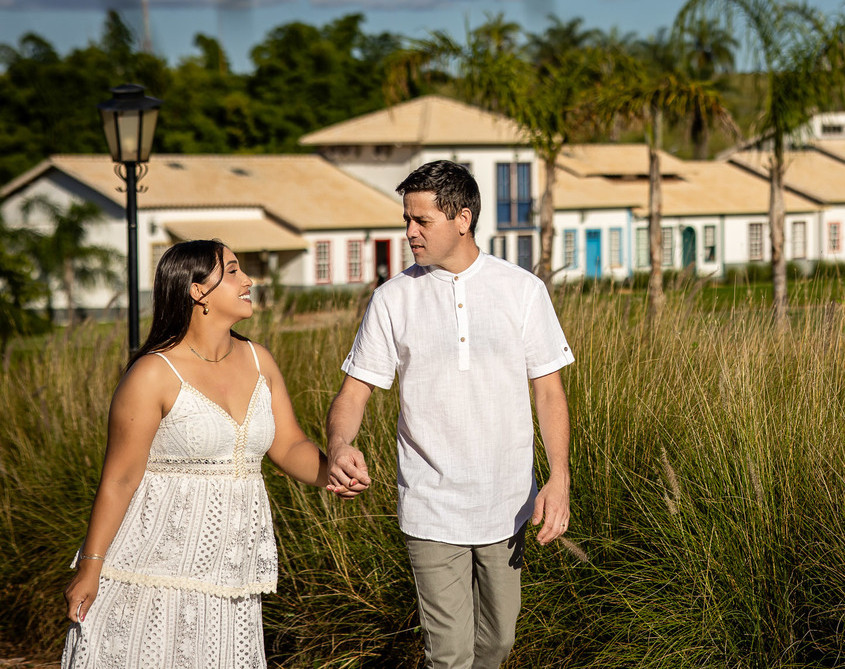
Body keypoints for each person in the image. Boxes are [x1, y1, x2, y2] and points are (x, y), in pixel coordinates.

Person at [325, 160, 573, 669]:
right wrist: (339, 444)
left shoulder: (522, 290)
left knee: (498, 641)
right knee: (450, 653)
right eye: (406, 220)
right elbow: (354, 392)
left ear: (463, 219)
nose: (410, 232)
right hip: (430, 504)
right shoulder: (392, 299)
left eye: (422, 220)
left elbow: (549, 391)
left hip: (508, 502)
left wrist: (559, 477)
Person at [62, 239, 328, 668]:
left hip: (230, 575)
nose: (248, 280)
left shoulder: (259, 360)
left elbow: (289, 444)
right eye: (234, 271)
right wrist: (90, 567)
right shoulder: (153, 373)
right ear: (197, 290)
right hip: (151, 572)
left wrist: (335, 472)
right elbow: (120, 479)